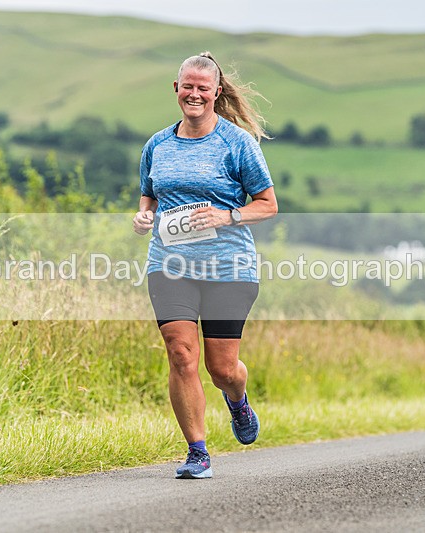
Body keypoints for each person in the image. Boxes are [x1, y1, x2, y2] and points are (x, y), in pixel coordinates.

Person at [133, 51, 278, 479]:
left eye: (203, 87)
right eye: (187, 86)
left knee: (222, 368)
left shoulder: (238, 144)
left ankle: (237, 400)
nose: (194, 93)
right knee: (181, 354)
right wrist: (143, 217)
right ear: (175, 89)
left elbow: (268, 205)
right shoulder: (157, 144)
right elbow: (149, 195)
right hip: (169, 262)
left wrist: (226, 215)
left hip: (228, 267)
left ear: (216, 92)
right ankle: (197, 452)